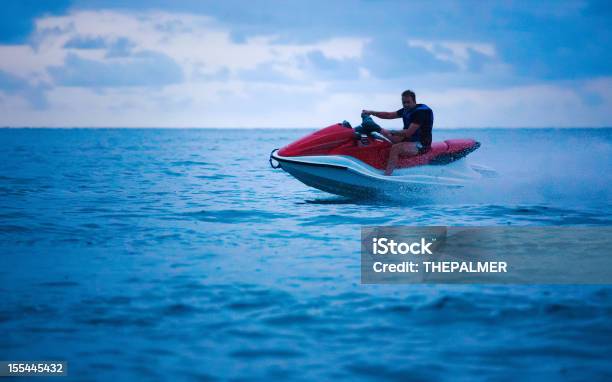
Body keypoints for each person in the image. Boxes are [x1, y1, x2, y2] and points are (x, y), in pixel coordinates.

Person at [362, 90, 434, 175]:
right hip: (410, 139)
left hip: (421, 144)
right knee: (384, 137)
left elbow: (408, 133)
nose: (406, 105)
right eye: (404, 102)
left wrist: (389, 131)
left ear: (414, 101)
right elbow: (389, 115)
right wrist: (370, 112)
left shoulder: (421, 112)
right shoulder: (406, 110)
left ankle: (387, 175)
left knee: (396, 148)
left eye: (408, 102)